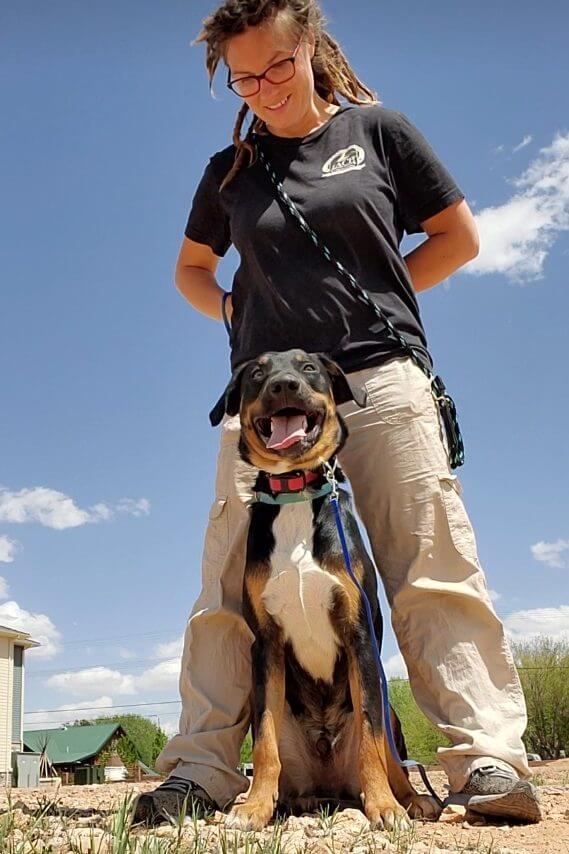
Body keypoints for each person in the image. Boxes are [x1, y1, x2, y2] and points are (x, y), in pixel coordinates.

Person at [134, 0, 541, 826]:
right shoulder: (231, 170)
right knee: (226, 588)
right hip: (264, 403)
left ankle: (484, 761)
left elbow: (456, 238)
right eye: (244, 78)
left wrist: (369, 319)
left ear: (309, 46)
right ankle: (202, 772)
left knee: (430, 567)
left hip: (381, 383)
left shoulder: (380, 133)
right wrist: (238, 322)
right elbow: (190, 268)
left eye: (277, 66)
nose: (264, 88)